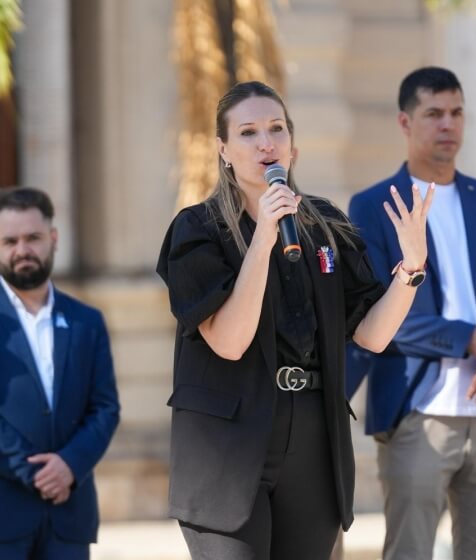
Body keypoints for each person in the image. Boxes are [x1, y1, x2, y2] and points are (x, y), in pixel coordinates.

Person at [155, 80, 433, 560]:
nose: (266, 142)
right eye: (248, 132)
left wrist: (410, 270)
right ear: (222, 150)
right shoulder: (197, 230)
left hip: (311, 432)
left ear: (292, 146)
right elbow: (229, 342)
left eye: (276, 128)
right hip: (228, 443)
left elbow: (371, 334)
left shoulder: (325, 224)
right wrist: (263, 236)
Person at [345, 66, 476, 560]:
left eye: (456, 113)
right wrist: (468, 337)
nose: (448, 124)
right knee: (408, 552)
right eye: (433, 113)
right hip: (417, 414)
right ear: (405, 123)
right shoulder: (373, 206)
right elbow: (370, 312)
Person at [0, 187, 121, 560]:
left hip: (69, 519)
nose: (23, 250)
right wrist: (35, 472)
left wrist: (70, 465)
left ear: (52, 239)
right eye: (10, 241)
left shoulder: (87, 320)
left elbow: (105, 408)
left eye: (33, 238)